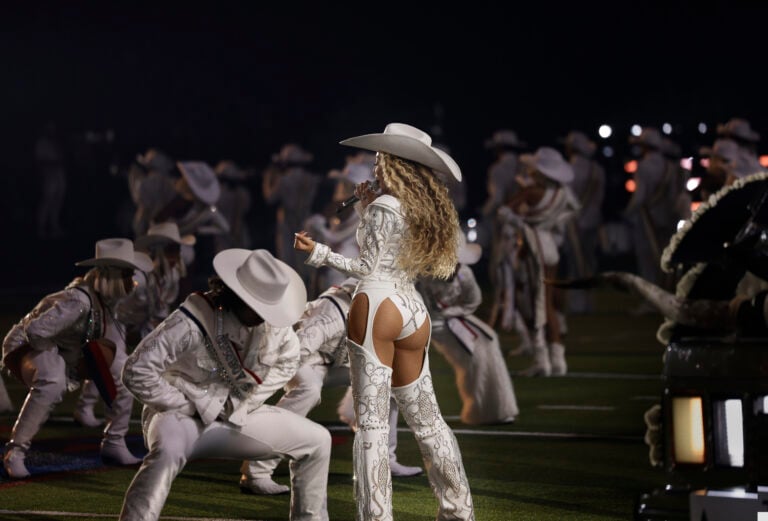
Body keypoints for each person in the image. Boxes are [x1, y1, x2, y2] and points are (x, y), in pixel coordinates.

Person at [294, 123, 474, 521]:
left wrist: (319, 251)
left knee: (372, 426)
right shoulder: (422, 207)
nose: (374, 166)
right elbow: (397, 255)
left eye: (379, 159)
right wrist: (364, 207)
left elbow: (365, 267)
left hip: (377, 305)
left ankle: (375, 517)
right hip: (413, 308)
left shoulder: (382, 207)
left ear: (394, 163)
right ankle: (459, 511)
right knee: (429, 422)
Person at [118, 249, 330, 521]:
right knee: (167, 452)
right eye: (258, 306)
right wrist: (185, 404)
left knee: (318, 441)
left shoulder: (274, 320)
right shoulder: (192, 319)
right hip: (180, 416)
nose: (265, 314)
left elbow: (288, 361)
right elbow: (136, 370)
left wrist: (248, 400)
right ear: (235, 294)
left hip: (235, 415)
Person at [240, 277, 422, 497]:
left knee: (388, 381)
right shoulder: (332, 314)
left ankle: (383, 460)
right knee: (308, 390)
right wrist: (252, 396)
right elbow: (295, 354)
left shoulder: (376, 303)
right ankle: (256, 473)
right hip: (297, 355)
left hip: (330, 362)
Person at [2, 238, 152, 478]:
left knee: (124, 370)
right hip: (24, 343)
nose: (131, 281)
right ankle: (15, 453)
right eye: (127, 273)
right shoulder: (79, 301)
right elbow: (36, 331)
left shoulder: (105, 301)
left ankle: (115, 442)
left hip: (56, 344)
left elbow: (112, 349)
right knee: (53, 380)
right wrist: (69, 359)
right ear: (111, 275)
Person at [74, 223, 196, 428]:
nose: (177, 254)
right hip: (115, 321)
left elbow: (161, 309)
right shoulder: (137, 277)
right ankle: (88, 409)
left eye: (178, 249)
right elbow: (111, 302)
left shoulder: (170, 275)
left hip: (142, 324)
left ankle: (166, 408)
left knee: (164, 358)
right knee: (109, 363)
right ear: (159, 251)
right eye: (172, 249)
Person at [494, 146, 580, 376]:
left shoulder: (532, 192)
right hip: (550, 245)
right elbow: (574, 210)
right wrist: (549, 223)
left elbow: (503, 211)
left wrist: (522, 223)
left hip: (535, 247)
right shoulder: (563, 193)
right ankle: (557, 360)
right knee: (547, 303)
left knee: (540, 305)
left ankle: (543, 359)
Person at [417, 232, 518, 425]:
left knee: (490, 341)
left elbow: (473, 301)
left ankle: (499, 409)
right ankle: (478, 410)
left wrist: (454, 312)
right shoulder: (423, 276)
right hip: (434, 324)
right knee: (473, 357)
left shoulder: (465, 273)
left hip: (457, 318)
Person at [623, 127, 677, 300]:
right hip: (668, 217)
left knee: (647, 260)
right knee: (666, 258)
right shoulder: (671, 166)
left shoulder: (643, 166)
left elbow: (639, 196)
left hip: (646, 219)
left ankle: (650, 300)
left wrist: (627, 213)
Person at [560, 130, 606, 314]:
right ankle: (589, 301)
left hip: (573, 223)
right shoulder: (598, 170)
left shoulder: (567, 169)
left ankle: (578, 303)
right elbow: (600, 198)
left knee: (575, 261)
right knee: (590, 261)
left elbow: (566, 201)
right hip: (593, 220)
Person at [263, 143, 321, 289]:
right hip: (306, 221)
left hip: (288, 225)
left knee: (288, 263)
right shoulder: (312, 179)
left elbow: (270, 198)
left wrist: (268, 177)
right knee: (305, 263)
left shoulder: (284, 180)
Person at [34, 120, 68, 239]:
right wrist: (52, 164)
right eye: (49, 127)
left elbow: (62, 157)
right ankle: (41, 228)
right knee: (47, 201)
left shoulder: (55, 142)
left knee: (58, 200)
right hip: (49, 175)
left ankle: (55, 226)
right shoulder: (41, 142)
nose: (52, 130)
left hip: (59, 173)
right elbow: (40, 161)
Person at [214, 160, 253, 252]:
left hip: (235, 235)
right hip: (223, 235)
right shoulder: (219, 194)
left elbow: (242, 213)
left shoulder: (240, 193)